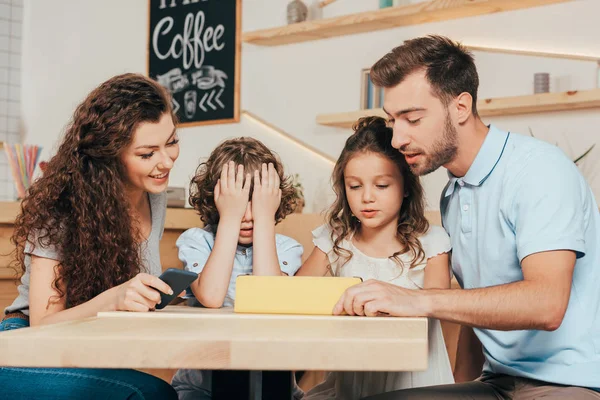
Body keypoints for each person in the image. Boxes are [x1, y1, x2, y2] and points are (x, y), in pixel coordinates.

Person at [333, 35, 600, 399]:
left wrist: (419, 299)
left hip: (569, 384)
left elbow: (547, 303)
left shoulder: (539, 171)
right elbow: (481, 308)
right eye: (393, 120)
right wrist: (458, 389)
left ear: (460, 107)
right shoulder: (453, 195)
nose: (396, 139)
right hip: (497, 382)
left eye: (412, 118)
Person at [0, 73, 181, 399]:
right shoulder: (63, 206)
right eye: (146, 153)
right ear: (110, 156)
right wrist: (115, 299)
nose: (165, 162)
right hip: (23, 347)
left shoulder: (154, 194)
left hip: (87, 348)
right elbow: (42, 324)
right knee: (150, 395)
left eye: (171, 142)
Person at [297, 116, 454, 400]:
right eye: (354, 186)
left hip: (415, 381)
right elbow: (296, 295)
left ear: (406, 187)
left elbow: (439, 305)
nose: (367, 197)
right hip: (352, 379)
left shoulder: (432, 243)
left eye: (381, 185)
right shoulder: (334, 239)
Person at [170, 137, 304, 399]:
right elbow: (210, 297)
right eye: (237, 201)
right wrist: (229, 218)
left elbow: (269, 298)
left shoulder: (286, 248)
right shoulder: (197, 241)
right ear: (216, 199)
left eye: (257, 201)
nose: (247, 214)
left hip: (273, 388)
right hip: (203, 388)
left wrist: (266, 218)